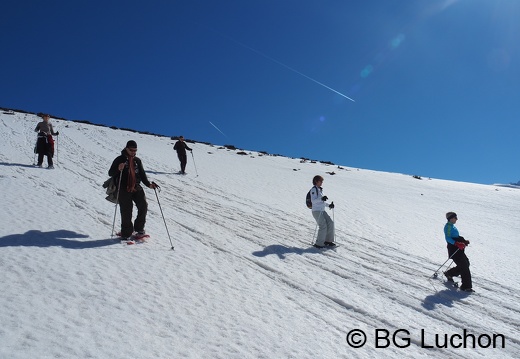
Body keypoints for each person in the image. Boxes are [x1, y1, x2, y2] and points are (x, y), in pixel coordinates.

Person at [109, 140, 158, 240]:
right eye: (131, 150)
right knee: (127, 209)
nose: (133, 152)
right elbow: (110, 173)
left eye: (135, 150)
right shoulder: (120, 159)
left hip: (136, 186)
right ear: (126, 148)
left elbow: (142, 175)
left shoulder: (137, 160)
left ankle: (139, 229)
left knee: (143, 205)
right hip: (123, 187)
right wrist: (118, 168)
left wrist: (149, 184)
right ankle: (126, 233)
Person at [443, 212, 473, 292]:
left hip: (458, 248)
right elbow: (448, 238)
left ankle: (449, 273)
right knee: (464, 266)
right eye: (455, 217)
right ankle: (466, 286)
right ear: (450, 218)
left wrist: (463, 241)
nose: (456, 219)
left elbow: (456, 237)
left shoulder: (452, 226)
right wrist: (457, 243)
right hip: (454, 249)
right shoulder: (448, 227)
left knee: (466, 264)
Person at [310, 175, 335, 248]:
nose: (322, 182)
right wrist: (321, 199)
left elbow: (322, 202)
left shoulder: (320, 190)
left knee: (330, 223)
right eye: (321, 181)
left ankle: (328, 241)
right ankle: (319, 244)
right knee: (323, 226)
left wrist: (329, 205)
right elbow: (313, 201)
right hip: (316, 211)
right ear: (316, 181)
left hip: (322, 210)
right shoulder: (313, 190)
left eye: (322, 181)